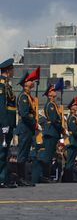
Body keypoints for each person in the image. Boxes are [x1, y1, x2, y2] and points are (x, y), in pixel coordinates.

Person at [14, 68, 40, 186]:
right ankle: (20, 178)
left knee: (25, 153)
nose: (32, 82)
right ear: (25, 84)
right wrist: (34, 123)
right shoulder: (23, 97)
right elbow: (24, 114)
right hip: (25, 127)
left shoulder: (28, 96)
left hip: (27, 128)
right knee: (22, 153)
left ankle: (22, 177)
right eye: (30, 80)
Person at [37, 80, 64, 183]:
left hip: (53, 132)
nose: (54, 91)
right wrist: (61, 129)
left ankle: (46, 176)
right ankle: (45, 176)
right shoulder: (50, 105)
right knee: (48, 155)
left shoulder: (53, 104)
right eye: (52, 90)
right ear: (49, 94)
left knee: (50, 154)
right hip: (51, 131)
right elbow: (54, 119)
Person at [0, 58, 16, 188]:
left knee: (5, 151)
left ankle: (4, 178)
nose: (13, 71)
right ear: (7, 70)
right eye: (12, 69)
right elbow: (2, 106)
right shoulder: (1, 85)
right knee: (2, 151)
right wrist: (4, 123)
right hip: (4, 123)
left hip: (9, 122)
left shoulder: (7, 84)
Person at [64, 95, 77, 182]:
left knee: (71, 160)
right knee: (70, 160)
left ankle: (68, 177)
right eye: (75, 105)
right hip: (73, 140)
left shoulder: (75, 117)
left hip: (74, 141)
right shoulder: (72, 118)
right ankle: (67, 178)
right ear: (71, 107)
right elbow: (75, 131)